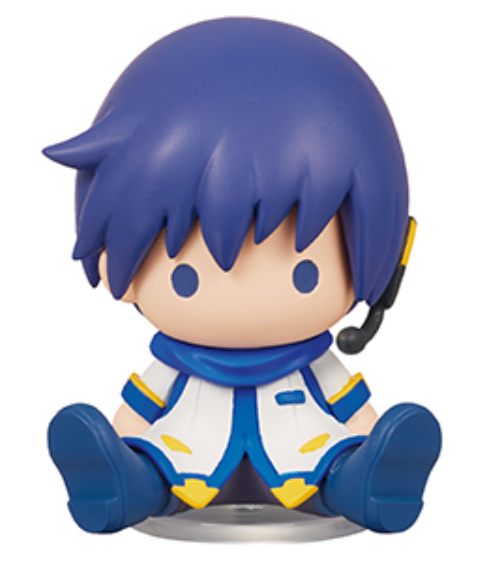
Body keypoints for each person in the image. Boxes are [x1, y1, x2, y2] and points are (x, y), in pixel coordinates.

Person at [45, 17, 441, 535]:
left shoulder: (315, 367)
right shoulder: (173, 369)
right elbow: (137, 413)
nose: (247, 301)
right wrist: (119, 445)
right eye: (187, 279)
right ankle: (122, 484)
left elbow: (353, 412)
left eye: (304, 274)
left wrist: (373, 444)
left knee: (338, 470)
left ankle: (370, 484)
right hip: (186, 463)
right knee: (152, 469)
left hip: (305, 464)